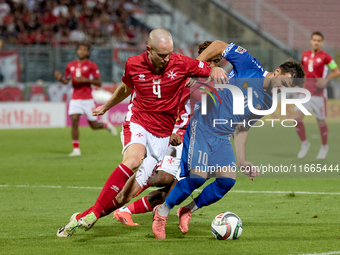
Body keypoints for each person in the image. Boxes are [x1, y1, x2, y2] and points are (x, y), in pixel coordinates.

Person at [56, 29, 227, 237]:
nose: (167, 59)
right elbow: (125, 89)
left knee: (123, 197)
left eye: (170, 54)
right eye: (162, 55)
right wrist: (107, 106)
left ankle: (83, 217)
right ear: (149, 49)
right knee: (133, 159)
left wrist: (215, 70)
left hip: (162, 135)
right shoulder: (133, 64)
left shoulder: (182, 64)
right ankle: (96, 213)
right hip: (138, 121)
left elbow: (209, 67)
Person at [152, 40, 306, 239]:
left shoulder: (268, 101)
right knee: (198, 177)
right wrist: (195, 68)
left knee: (227, 181)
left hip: (222, 136)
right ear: (277, 72)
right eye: (283, 83)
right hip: (203, 124)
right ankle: (162, 212)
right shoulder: (249, 64)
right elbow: (217, 45)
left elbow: (242, 127)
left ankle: (187, 210)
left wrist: (242, 160)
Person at [113, 41, 223, 226]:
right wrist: (170, 129)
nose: (212, 65)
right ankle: (120, 197)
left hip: (195, 140)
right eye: (209, 60)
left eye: (217, 61)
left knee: (175, 187)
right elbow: (166, 105)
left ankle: (125, 209)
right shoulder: (186, 79)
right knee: (164, 177)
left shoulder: (216, 82)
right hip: (175, 135)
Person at [54, 43, 117, 157]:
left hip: (88, 99)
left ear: (87, 53)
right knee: (74, 121)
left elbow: (99, 82)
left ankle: (106, 125)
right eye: (80, 49)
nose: (82, 51)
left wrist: (86, 80)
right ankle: (76, 150)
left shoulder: (91, 65)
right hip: (75, 99)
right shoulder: (70, 65)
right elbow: (66, 80)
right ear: (77, 51)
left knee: (93, 126)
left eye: (84, 50)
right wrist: (60, 78)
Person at [295, 31, 340, 159]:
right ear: (311, 41)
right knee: (297, 120)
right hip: (305, 93)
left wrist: (326, 79)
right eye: (314, 40)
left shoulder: (326, 57)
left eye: (318, 40)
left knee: (320, 122)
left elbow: (336, 71)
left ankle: (324, 146)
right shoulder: (304, 55)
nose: (316, 42)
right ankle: (305, 143)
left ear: (322, 42)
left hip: (318, 95)